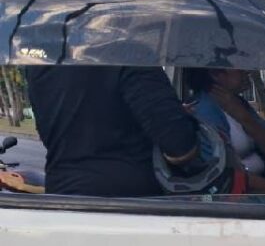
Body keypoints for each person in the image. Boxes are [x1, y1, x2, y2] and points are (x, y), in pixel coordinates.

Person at [27, 66, 202, 197]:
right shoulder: (127, 55)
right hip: (127, 208)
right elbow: (180, 148)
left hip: (60, 196)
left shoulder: (40, 64)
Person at [187, 68, 265, 195]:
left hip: (259, 184)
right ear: (216, 74)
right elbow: (222, 175)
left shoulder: (237, 103)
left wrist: (244, 118)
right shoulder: (202, 111)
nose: (247, 71)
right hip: (236, 198)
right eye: (239, 67)